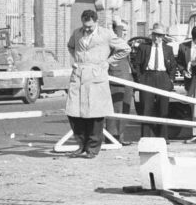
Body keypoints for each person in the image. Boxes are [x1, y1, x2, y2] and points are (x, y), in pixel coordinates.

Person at [65, 8, 129, 158]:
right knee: (74, 113)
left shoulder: (106, 34)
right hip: (79, 76)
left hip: (96, 76)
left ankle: (93, 149)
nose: (86, 29)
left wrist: (108, 62)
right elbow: (70, 46)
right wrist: (78, 60)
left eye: (90, 26)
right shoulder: (77, 33)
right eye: (85, 26)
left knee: (95, 114)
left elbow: (125, 48)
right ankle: (81, 145)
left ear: (96, 22)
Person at [132, 22, 178, 139]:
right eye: (156, 35)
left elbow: (173, 66)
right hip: (147, 77)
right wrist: (140, 79)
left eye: (160, 36)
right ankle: (145, 137)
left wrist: (170, 81)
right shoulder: (144, 47)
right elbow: (136, 64)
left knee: (163, 109)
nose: (158, 38)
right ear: (152, 35)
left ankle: (163, 137)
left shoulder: (168, 49)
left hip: (163, 78)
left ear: (164, 37)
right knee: (146, 108)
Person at [107, 18, 135, 145]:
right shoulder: (112, 42)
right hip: (116, 80)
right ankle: (112, 138)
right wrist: (116, 27)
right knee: (115, 110)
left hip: (128, 80)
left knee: (125, 110)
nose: (124, 33)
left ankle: (121, 136)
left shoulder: (126, 43)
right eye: (122, 30)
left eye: (126, 31)